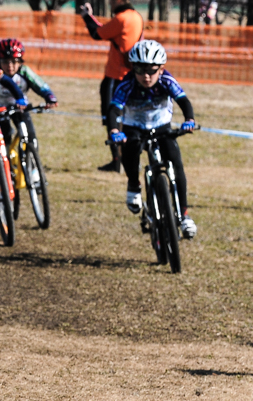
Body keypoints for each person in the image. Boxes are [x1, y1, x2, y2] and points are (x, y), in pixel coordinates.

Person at [108, 40, 197, 238]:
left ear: (161, 68)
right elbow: (114, 109)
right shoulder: (127, 83)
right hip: (134, 128)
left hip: (161, 126)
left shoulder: (166, 80)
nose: (146, 76)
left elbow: (183, 100)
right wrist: (115, 130)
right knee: (130, 151)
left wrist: (189, 120)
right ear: (133, 68)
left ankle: (184, 214)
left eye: (152, 70)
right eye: (140, 69)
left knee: (176, 163)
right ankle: (133, 184)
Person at [80, 0, 143, 172]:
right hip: (130, 75)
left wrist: (86, 16)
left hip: (116, 76)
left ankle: (117, 160)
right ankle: (128, 157)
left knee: (112, 117)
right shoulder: (136, 17)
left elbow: (97, 33)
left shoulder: (121, 18)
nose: (109, 3)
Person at [0, 38, 58, 149]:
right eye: (5, 62)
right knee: (4, 139)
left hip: (22, 108)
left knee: (31, 137)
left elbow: (40, 85)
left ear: (20, 61)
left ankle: (32, 160)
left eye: (14, 61)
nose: (10, 66)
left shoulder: (24, 72)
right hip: (0, 111)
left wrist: (49, 97)